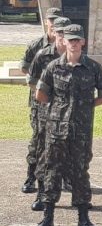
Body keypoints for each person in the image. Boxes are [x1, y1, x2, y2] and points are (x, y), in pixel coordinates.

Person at [33, 24, 102, 226]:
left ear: (83, 42)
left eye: (78, 40)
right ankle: (48, 218)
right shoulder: (53, 67)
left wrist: (86, 106)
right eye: (71, 40)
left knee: (80, 174)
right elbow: (40, 95)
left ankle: (83, 219)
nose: (74, 43)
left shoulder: (93, 67)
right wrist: (58, 107)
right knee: (52, 172)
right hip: (56, 130)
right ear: (64, 42)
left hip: (81, 131)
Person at [27, 17, 70, 211]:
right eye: (58, 32)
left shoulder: (76, 57)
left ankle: (72, 187)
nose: (61, 36)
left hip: (69, 115)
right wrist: (47, 100)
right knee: (43, 152)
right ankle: (40, 193)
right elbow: (32, 81)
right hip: (45, 112)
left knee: (70, 151)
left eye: (65, 33)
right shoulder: (43, 55)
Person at [20, 7, 60, 194]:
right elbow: (25, 69)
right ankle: (31, 178)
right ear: (46, 22)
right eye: (50, 20)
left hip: (61, 105)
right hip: (40, 103)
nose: (53, 24)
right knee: (38, 140)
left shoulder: (66, 47)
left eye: (56, 20)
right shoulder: (36, 46)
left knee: (61, 141)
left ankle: (64, 178)